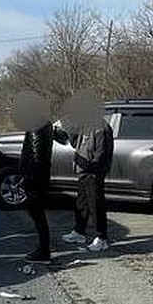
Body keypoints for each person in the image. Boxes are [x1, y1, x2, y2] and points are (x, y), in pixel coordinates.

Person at [56, 108, 114, 252]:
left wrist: (93, 169)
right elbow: (76, 144)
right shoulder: (86, 126)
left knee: (96, 205)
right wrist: (68, 128)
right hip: (83, 172)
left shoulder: (102, 128)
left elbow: (101, 154)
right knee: (81, 203)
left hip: (94, 173)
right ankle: (79, 232)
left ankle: (102, 238)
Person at [14, 91, 53, 263]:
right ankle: (43, 248)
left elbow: (36, 154)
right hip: (40, 175)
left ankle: (44, 251)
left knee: (37, 213)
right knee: (37, 213)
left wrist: (28, 176)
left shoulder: (36, 124)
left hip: (35, 177)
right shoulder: (44, 121)